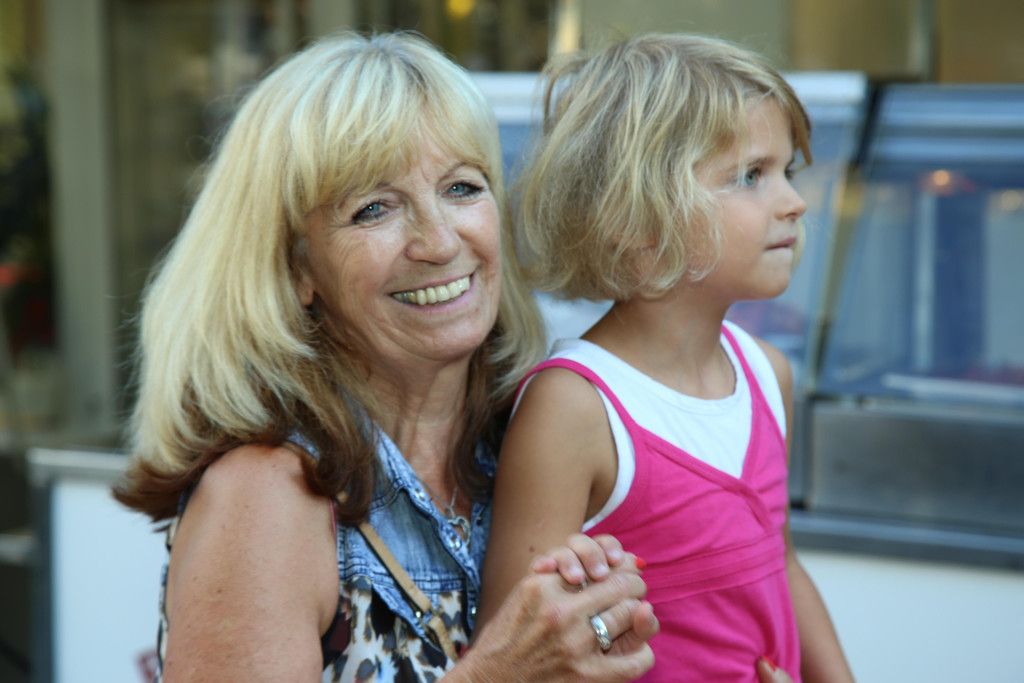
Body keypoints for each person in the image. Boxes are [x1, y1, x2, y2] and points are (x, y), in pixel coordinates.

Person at [113, 32, 661, 682]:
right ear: (295, 269)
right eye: (374, 209)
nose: (439, 241)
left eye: (462, 188)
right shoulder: (266, 495)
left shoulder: (538, 439)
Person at [479, 34, 855, 682]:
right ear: (638, 216)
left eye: (787, 172)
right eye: (751, 176)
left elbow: (782, 564)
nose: (794, 202)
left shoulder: (768, 375)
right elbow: (514, 646)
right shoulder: (574, 408)